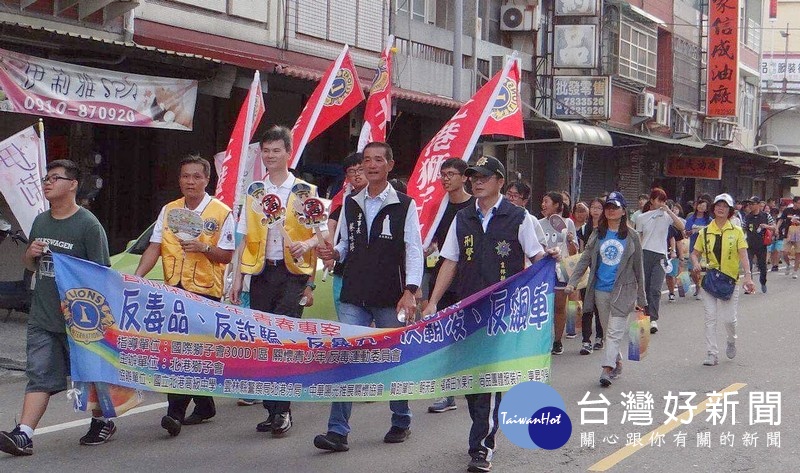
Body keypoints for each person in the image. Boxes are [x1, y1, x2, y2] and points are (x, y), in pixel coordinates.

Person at [421, 156, 557, 473]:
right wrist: (432, 301)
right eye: (473, 177)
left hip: (501, 314)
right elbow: (450, 262)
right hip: (468, 310)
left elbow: (536, 257)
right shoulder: (463, 218)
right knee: (472, 379)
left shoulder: (519, 218)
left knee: (490, 379)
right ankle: (482, 430)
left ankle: (481, 448)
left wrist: (549, 259)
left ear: (499, 181)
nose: (476, 181)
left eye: (483, 176)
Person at [313, 141, 423, 452]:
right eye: (366, 160)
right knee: (346, 359)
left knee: (394, 357)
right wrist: (333, 252)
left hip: (391, 295)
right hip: (354, 293)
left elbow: (413, 250)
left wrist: (410, 291)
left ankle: (401, 418)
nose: (371, 165)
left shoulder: (405, 204)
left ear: (390, 164)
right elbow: (346, 245)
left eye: (377, 160)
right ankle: (337, 431)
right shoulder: (350, 203)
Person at [1, 160, 113, 456]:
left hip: (79, 320)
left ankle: (102, 420)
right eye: (46, 178)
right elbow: (30, 265)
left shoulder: (88, 225)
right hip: (43, 315)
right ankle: (24, 434)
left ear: (73, 184)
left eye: (55, 178)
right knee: (39, 374)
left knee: (88, 374)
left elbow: (101, 272)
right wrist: (30, 253)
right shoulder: (41, 221)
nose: (47, 182)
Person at [134, 155, 235, 437]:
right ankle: (202, 405)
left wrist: (203, 247)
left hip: (205, 292)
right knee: (175, 350)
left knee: (190, 352)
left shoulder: (221, 212)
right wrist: (137, 277)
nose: (190, 182)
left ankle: (174, 413)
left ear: (207, 180)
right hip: (173, 289)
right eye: (185, 176)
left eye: (196, 177)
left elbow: (227, 255)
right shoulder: (169, 210)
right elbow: (155, 247)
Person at [230, 125, 320, 437]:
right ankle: (272, 408)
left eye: (276, 150)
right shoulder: (255, 190)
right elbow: (242, 236)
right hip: (261, 272)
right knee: (264, 341)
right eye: (266, 151)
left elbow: (319, 236)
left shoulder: (304, 191)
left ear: (288, 152)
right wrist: (237, 278)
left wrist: (305, 250)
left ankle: (283, 410)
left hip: (292, 273)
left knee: (286, 339)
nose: (270, 155)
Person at [565, 191, 646, 387]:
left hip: (624, 291)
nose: (611, 211)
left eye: (615, 207)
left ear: (623, 211)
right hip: (600, 289)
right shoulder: (597, 234)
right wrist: (573, 281)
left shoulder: (632, 236)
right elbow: (585, 259)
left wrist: (642, 300)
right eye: (608, 207)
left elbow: (639, 268)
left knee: (614, 332)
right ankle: (616, 360)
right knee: (609, 328)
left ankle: (606, 368)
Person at [424, 157, 474, 414]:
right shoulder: (438, 207)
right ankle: (447, 392)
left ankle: (474, 382)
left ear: (465, 177)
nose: (446, 178)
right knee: (444, 336)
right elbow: (431, 239)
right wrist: (428, 248)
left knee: (469, 336)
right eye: (443, 174)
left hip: (470, 280)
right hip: (441, 278)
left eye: (452, 174)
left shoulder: (475, 207)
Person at [690, 193, 755, 366]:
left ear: (730, 211)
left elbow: (743, 255)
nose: (721, 208)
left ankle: (731, 340)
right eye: (718, 205)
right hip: (709, 280)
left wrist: (748, 276)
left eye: (725, 206)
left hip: (730, 281)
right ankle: (712, 353)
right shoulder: (705, 232)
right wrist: (696, 263)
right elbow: (695, 253)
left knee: (729, 319)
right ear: (713, 209)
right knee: (710, 317)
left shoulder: (737, 231)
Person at [635, 188, 684, 334]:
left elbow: (681, 227)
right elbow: (639, 238)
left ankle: (653, 318)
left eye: (663, 200)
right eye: (659, 200)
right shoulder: (642, 217)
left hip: (661, 255)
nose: (661, 203)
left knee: (655, 288)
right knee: (645, 288)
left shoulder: (666, 216)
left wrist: (668, 211)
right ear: (652, 200)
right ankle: (643, 317)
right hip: (645, 253)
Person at [324, 152, 367, 317]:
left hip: (370, 271)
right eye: (351, 171)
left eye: (360, 169)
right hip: (344, 266)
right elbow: (331, 225)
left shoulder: (381, 199)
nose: (356, 175)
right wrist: (330, 251)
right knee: (345, 315)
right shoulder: (344, 200)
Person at [539, 191, 578, 354]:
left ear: (557, 205)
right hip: (543, 269)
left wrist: (569, 240)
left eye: (546, 201)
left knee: (559, 307)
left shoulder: (568, 223)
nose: (543, 204)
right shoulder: (538, 223)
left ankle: (557, 341)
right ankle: (542, 340)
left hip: (561, 270)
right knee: (543, 307)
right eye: (542, 201)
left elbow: (574, 251)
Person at [578, 198, 605, 354]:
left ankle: (599, 337)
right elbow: (582, 253)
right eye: (593, 207)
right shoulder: (583, 229)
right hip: (586, 272)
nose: (595, 210)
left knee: (599, 307)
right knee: (587, 306)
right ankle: (586, 340)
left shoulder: (607, 230)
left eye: (599, 208)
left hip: (602, 272)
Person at [742, 196, 776, 293]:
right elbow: (742, 229)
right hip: (749, 244)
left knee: (762, 266)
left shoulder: (766, 216)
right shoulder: (747, 217)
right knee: (748, 266)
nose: (750, 206)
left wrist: (767, 226)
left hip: (762, 245)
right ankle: (749, 286)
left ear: (758, 204)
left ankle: (763, 282)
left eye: (752, 204)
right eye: (749, 204)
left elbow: (774, 227)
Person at [684, 198, 712, 299]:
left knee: (703, 269)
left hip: (706, 247)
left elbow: (713, 232)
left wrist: (703, 230)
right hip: (694, 246)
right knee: (693, 270)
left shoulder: (709, 220)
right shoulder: (691, 218)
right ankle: (697, 285)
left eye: (703, 206)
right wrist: (692, 231)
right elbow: (686, 232)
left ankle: (702, 288)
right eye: (699, 205)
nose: (701, 207)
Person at [505, 181, 546, 246]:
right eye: (508, 194)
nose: (510, 198)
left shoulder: (531, 220)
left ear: (524, 201)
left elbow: (542, 245)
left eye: (515, 196)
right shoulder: (498, 216)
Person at [777, 196, 800, 277]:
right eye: (798, 203)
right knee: (785, 252)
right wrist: (777, 228)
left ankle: (795, 271)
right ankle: (788, 264)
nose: (799, 204)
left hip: (798, 235)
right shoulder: (787, 210)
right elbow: (781, 219)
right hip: (788, 234)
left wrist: (798, 222)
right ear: (794, 203)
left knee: (798, 253)